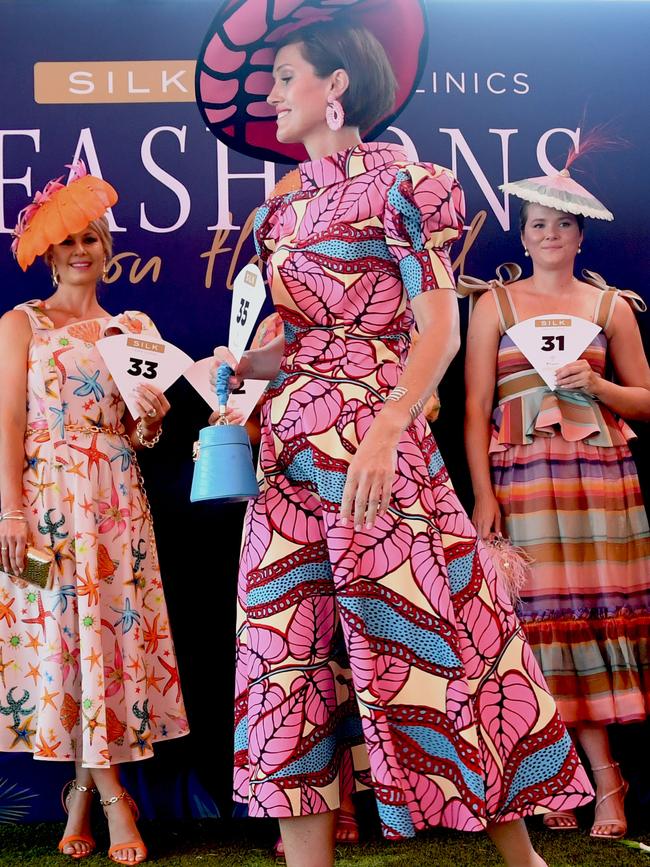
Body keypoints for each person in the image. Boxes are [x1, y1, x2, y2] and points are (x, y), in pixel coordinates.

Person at [197, 2, 592, 865]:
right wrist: (245, 368)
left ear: (337, 85)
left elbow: (438, 328)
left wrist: (384, 432)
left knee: (436, 642)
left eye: (286, 77)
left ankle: (521, 856)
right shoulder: (283, 206)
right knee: (280, 661)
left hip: (379, 451)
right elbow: (303, 336)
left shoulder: (405, 183)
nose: (272, 94)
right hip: (290, 458)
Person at [0, 162, 189, 863]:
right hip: (46, 504)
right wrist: (9, 513)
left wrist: (152, 421)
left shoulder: (132, 325)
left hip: (115, 500)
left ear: (107, 250)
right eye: (69, 240)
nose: (82, 249)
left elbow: (141, 432)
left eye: (93, 239)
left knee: (106, 644)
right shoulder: (21, 323)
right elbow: (6, 423)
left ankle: (81, 794)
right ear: (50, 253)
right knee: (63, 640)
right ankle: (113, 797)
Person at [464, 160, 650, 839]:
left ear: (580, 237)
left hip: (599, 485)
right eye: (538, 223)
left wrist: (599, 388)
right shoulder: (495, 306)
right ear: (522, 237)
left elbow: (648, 400)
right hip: (522, 481)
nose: (550, 233)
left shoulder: (610, 308)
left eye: (562, 224)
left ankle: (607, 787)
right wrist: (482, 494)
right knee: (533, 631)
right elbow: (474, 406)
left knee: (591, 624)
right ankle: (553, 777)